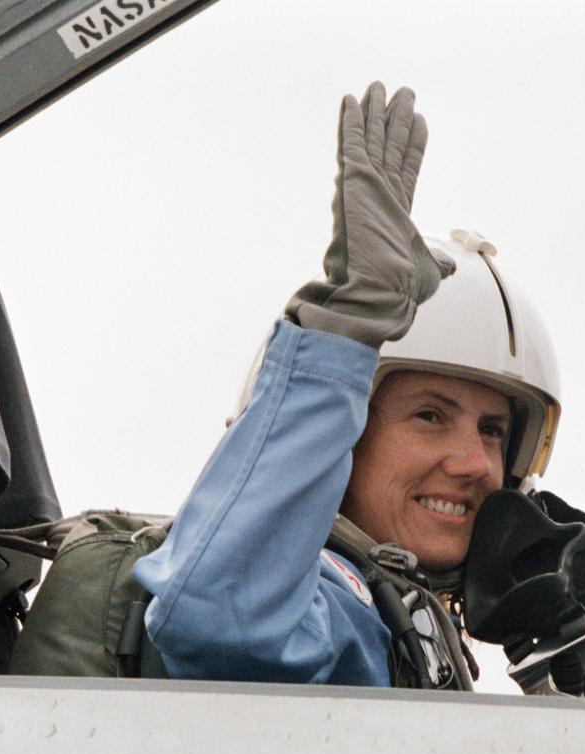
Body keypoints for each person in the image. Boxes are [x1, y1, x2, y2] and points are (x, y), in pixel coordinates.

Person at [131, 82, 562, 689]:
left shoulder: (408, 626)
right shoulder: (338, 607)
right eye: (430, 417)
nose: (474, 464)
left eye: (492, 430)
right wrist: (344, 331)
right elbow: (218, 621)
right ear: (340, 438)